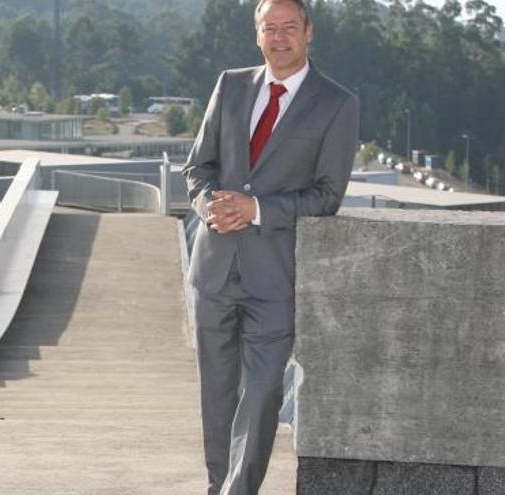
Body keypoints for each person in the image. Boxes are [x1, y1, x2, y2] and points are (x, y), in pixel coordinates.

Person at [181, 0, 359, 493]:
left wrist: (255, 208)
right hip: (213, 269)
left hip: (275, 279)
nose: (279, 38)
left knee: (260, 396)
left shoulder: (337, 104)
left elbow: (328, 195)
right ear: (257, 34)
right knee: (216, 396)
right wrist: (208, 205)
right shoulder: (230, 85)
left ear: (308, 32)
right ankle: (221, 488)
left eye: (289, 28)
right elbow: (198, 167)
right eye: (269, 28)